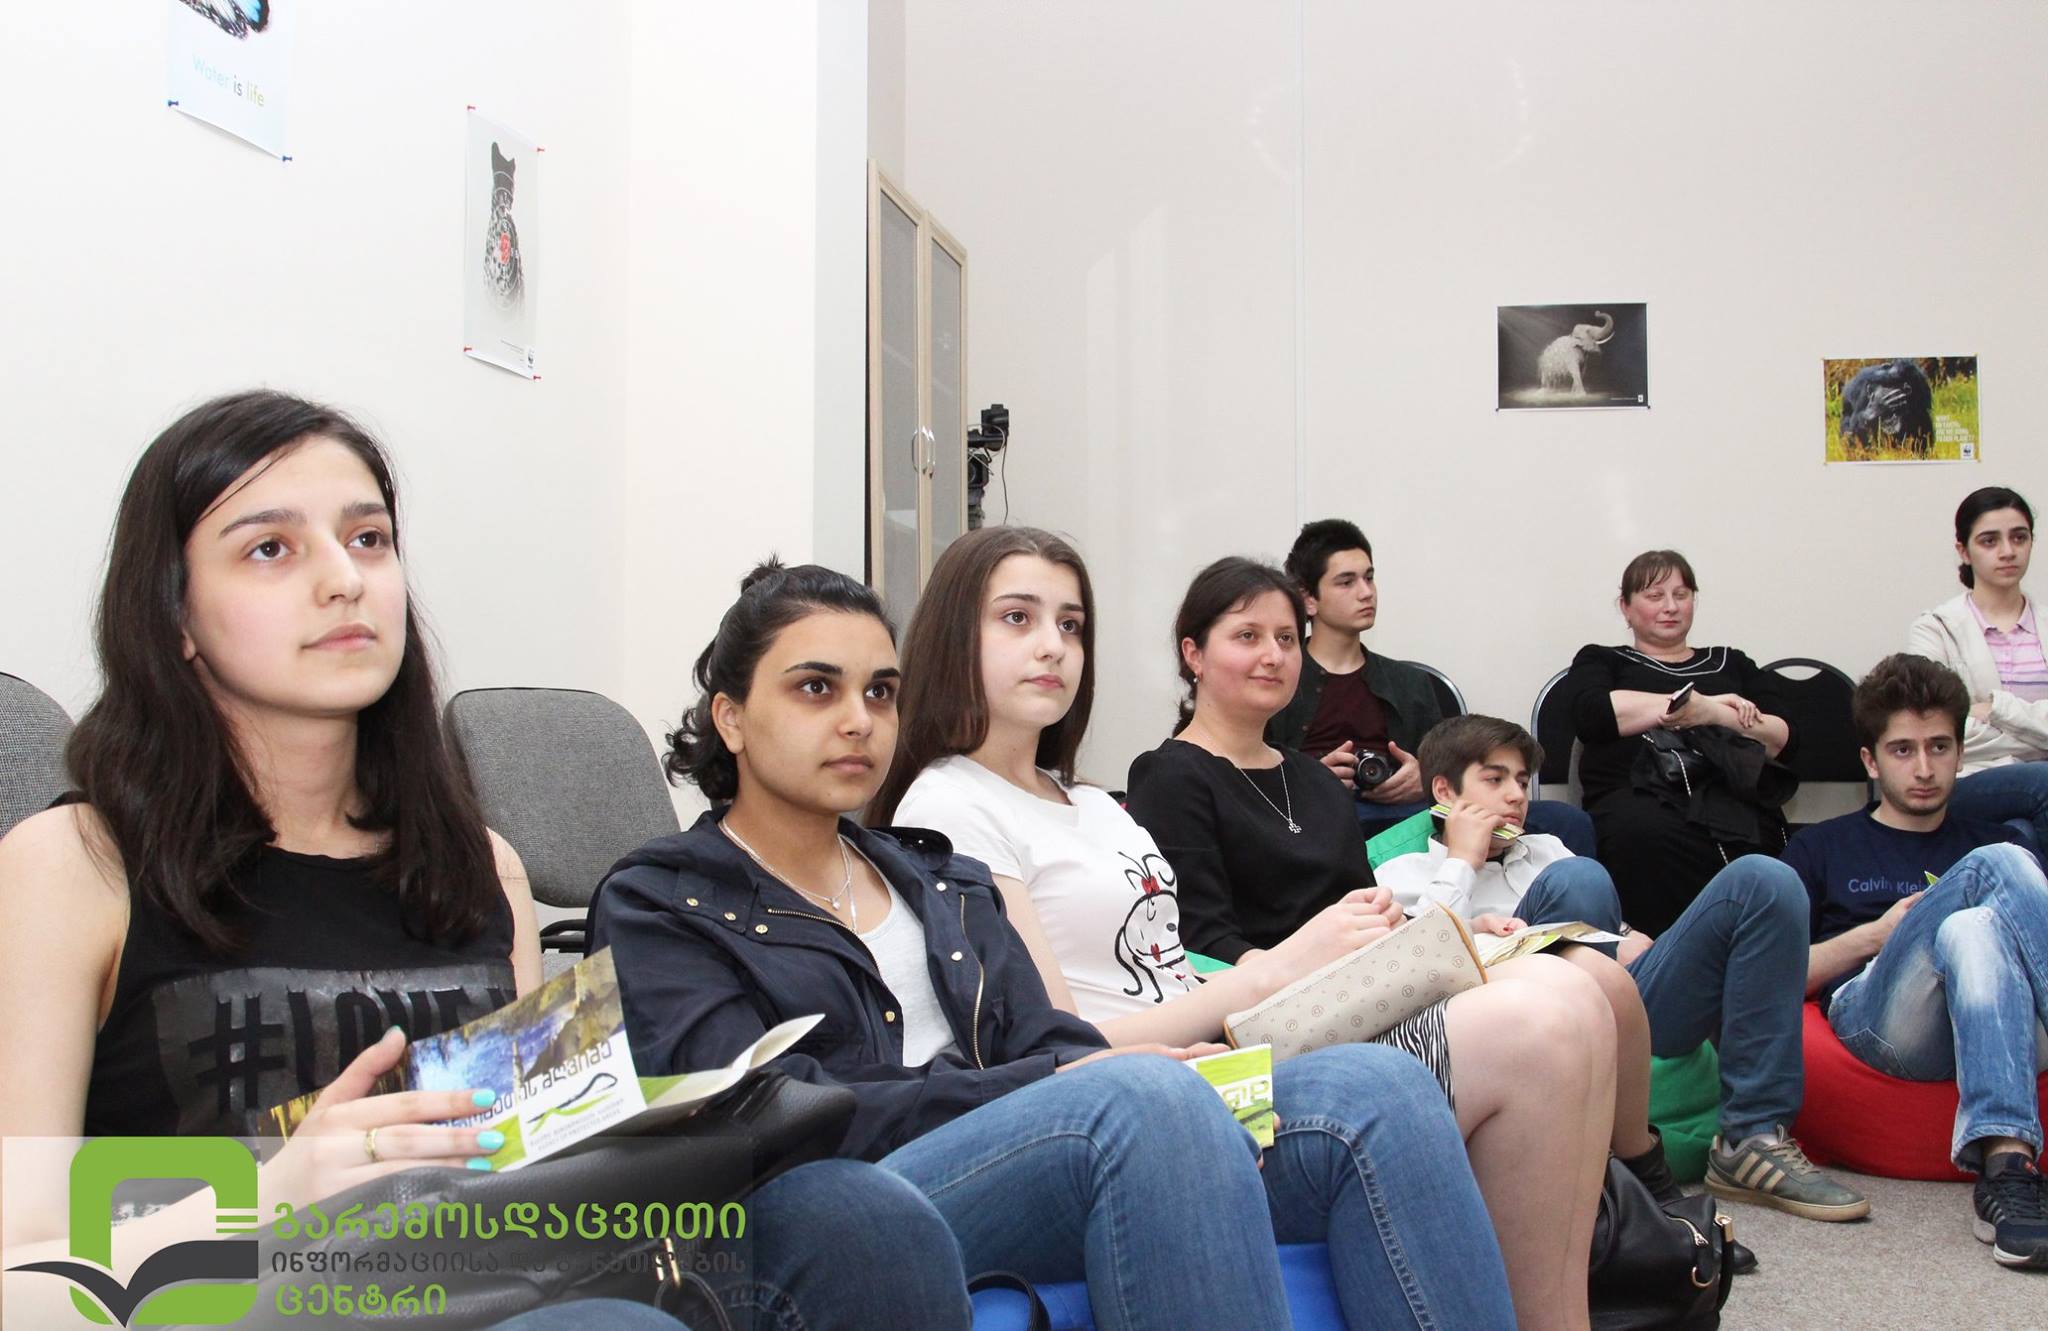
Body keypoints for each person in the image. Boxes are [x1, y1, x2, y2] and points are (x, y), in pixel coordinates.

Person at [0, 392, 957, 1331]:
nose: (344, 578)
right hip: (239, 1307)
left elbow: (530, 1186)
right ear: (174, 612)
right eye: (270, 549)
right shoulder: (75, 865)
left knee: (854, 1217)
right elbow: (19, 1267)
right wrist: (272, 1194)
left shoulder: (478, 866)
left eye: (368, 539)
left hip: (492, 1285)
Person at [587, 561, 1393, 1331]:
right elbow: (753, 1111)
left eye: (880, 692)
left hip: (1005, 1160)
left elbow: (1042, 1037)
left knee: (1373, 1090)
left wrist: (1146, 1066)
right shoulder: (660, 899)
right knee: (1146, 1103)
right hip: (831, 1198)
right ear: (730, 716)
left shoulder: (937, 876)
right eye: (816, 688)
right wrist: (1055, 1083)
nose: (858, 719)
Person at [869, 526, 1521, 1329]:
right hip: (1109, 1097)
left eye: (1071, 624)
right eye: (1017, 618)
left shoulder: (1092, 801)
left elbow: (1175, 966)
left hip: (1211, 1062)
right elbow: (1051, 1046)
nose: (1053, 646)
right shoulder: (949, 803)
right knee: (1380, 1081)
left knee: (1391, 1083)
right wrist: (1273, 969)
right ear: (953, 635)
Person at [1123, 554, 1618, 1331]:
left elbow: (1369, 907)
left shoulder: (1315, 780)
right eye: (1246, 635)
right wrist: (1309, 954)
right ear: (1193, 652)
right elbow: (1197, 940)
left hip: (1363, 991)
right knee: (1547, 1018)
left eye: (1286, 637)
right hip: (1270, 1022)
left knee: (1587, 979)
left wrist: (1452, 935)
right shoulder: (1170, 774)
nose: (1272, 654)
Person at [1376, 714, 1867, 1232]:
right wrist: (1463, 861)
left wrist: (1633, 937)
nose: (1516, 796)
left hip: (1618, 1012)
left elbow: (1606, 933)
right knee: (1579, 877)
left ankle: (1752, 1139)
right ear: (1445, 791)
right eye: (1494, 780)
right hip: (1518, 1035)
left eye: (1521, 780)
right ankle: (1603, 1165)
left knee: (1765, 880)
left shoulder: (1548, 850)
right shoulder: (1403, 874)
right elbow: (1416, 973)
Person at [1790, 653, 2048, 1270]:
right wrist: (1876, 936)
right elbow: (1773, 978)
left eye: (1939, 747)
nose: (1925, 769)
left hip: (1998, 1015)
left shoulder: (1993, 835)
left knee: (1970, 926)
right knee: (2001, 866)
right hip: (1883, 1024)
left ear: (1961, 753)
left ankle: (2008, 1174)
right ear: (1870, 760)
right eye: (1903, 750)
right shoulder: (1819, 847)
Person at [1269, 517, 1598, 856]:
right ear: (1308, 599)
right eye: (1346, 582)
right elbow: (1250, 769)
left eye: (1369, 577)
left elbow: (1452, 765)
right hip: (1315, 814)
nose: (1366, 592)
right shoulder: (1277, 676)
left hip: (1412, 816)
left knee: (1566, 821)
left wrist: (1424, 778)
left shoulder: (1409, 682)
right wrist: (1311, 778)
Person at [1562, 549, 1797, 935]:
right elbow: (1593, 714)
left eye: (1681, 595)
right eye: (1654, 596)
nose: (1670, 607)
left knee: (1762, 839)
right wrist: (1686, 706)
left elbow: (1783, 738)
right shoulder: (1604, 660)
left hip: (1731, 801)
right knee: (1643, 832)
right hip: (1637, 804)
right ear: (1625, 607)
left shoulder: (1730, 662)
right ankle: (1657, 960)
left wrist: (1712, 712)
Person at [1906, 485, 2048, 853]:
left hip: (2036, 796)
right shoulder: (1935, 628)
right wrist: (2036, 732)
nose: (2007, 551)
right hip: (1967, 780)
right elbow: (1933, 728)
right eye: (1989, 540)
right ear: (1964, 551)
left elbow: (1962, 723)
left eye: (2019, 537)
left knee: (2019, 835)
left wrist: (1996, 709)